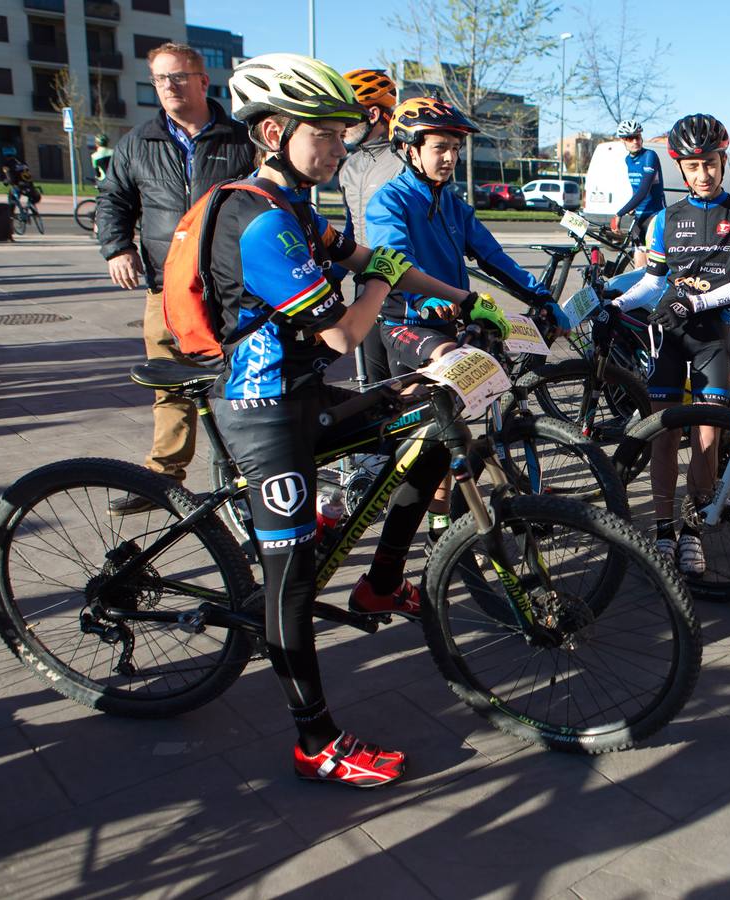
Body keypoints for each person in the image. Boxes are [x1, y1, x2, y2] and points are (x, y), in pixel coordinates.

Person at [215, 53, 478, 788]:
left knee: (424, 426)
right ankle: (314, 741)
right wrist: (379, 281)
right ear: (273, 132)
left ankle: (382, 580)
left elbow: (379, 258)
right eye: (325, 134)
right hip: (261, 408)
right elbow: (342, 334)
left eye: (342, 133)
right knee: (293, 580)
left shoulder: (297, 209)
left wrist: (462, 300)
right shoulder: (260, 223)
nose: (339, 146)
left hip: (302, 392)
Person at [364, 96, 567, 544]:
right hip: (406, 321)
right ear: (410, 149)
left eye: (456, 148)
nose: (451, 157)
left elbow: (493, 256)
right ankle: (419, 516)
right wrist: (423, 299)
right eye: (440, 147)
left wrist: (541, 296)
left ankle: (445, 518)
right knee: (431, 432)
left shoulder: (453, 204)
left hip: (450, 319)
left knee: (447, 427)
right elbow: (395, 257)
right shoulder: (389, 201)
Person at [95, 42, 256, 513]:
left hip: (230, 287)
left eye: (178, 76)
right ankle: (163, 480)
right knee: (170, 382)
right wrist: (117, 248)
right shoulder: (138, 142)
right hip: (167, 288)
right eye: (160, 79)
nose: (168, 86)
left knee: (240, 380)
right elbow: (113, 199)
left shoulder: (240, 138)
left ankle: (249, 473)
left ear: (204, 81)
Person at [603, 113, 730, 573]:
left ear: (723, 159)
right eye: (692, 167)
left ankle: (693, 531)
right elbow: (653, 283)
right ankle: (664, 530)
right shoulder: (663, 220)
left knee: (707, 439)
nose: (703, 174)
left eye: (710, 163)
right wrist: (616, 302)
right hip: (668, 338)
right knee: (663, 437)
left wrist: (694, 305)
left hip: (712, 338)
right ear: (680, 167)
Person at [338, 68, 403, 386]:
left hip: (405, 288)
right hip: (365, 283)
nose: (342, 125)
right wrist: (332, 277)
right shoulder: (348, 166)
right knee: (374, 388)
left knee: (408, 384)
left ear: (374, 113)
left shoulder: (406, 161)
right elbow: (351, 228)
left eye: (349, 116)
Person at [607, 119, 664, 269]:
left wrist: (620, 213)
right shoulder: (628, 160)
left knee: (654, 267)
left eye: (637, 137)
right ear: (622, 141)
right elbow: (636, 188)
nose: (635, 141)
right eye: (629, 138)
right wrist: (632, 207)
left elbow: (644, 190)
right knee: (639, 268)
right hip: (640, 215)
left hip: (654, 214)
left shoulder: (649, 156)